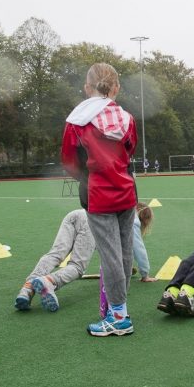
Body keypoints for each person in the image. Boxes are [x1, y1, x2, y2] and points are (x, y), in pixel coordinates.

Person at [61, 63, 139, 337]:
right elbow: (129, 150)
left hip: (97, 193)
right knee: (124, 251)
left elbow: (69, 161)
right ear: (116, 88)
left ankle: (118, 316)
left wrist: (86, 177)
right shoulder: (127, 118)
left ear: (87, 87)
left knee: (110, 256)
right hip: (126, 189)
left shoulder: (77, 121)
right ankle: (120, 309)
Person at [14, 204, 154, 313]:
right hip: (91, 223)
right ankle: (50, 281)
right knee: (77, 266)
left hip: (75, 214)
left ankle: (27, 290)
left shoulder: (119, 207)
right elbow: (138, 248)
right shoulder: (132, 219)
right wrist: (145, 273)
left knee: (55, 254)